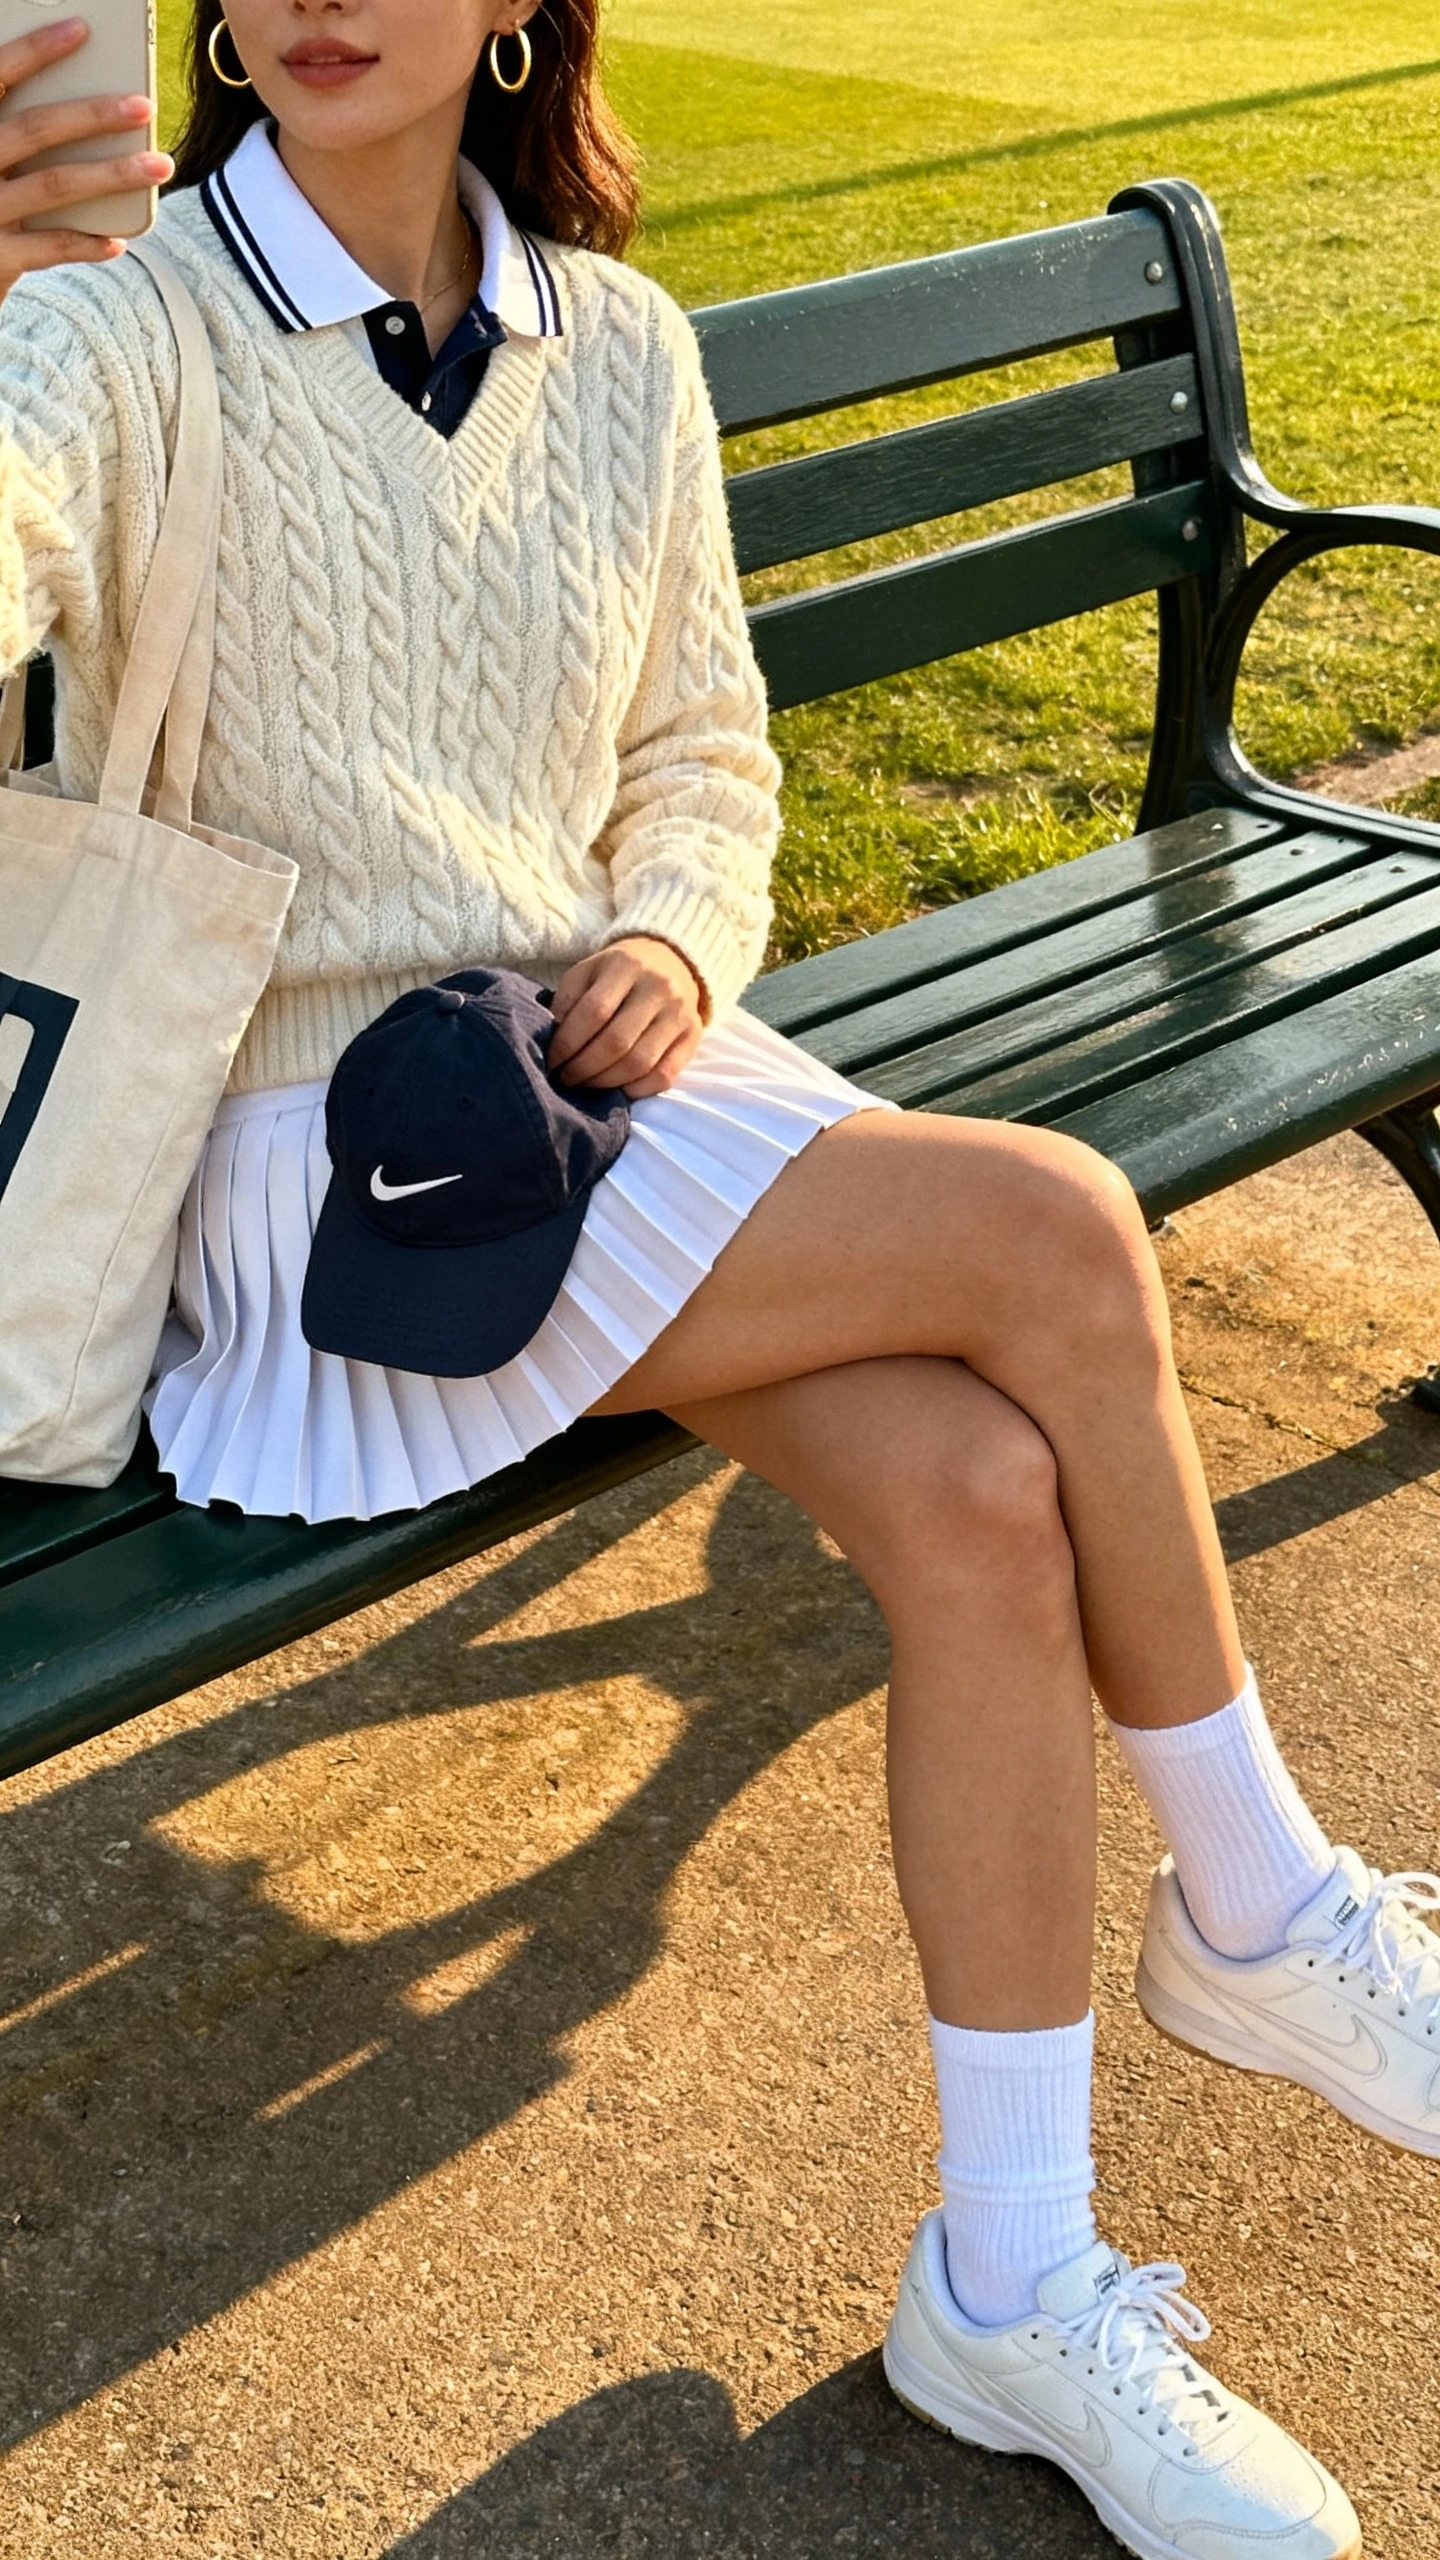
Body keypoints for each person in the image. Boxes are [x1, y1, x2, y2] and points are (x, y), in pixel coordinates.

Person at [0, 6, 1435, 2551]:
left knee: (986, 1492)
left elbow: (705, 754)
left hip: (603, 1101)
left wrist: (670, 935)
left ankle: (1010, 2279)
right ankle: (1263, 1898)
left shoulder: (620, 344)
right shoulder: (117, 326)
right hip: (317, 1164)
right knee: (1057, 1228)